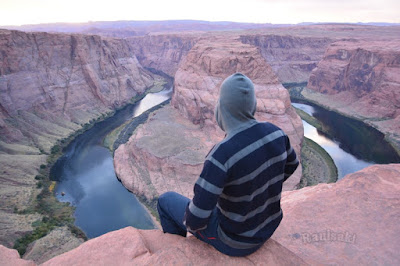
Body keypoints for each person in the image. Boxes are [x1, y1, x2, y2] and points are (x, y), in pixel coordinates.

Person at [157, 73, 299, 257]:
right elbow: (291, 165)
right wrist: (258, 190)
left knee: (165, 200)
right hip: (269, 226)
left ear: (222, 110)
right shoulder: (276, 133)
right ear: (252, 106)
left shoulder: (221, 155)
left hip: (235, 241)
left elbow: (195, 221)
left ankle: (176, 252)